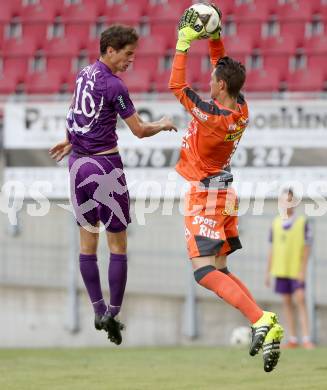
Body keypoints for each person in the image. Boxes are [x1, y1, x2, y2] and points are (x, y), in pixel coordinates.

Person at [168, 7, 283, 372]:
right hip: (225, 193)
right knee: (221, 268)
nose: (210, 81)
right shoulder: (241, 107)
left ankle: (260, 319)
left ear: (219, 86)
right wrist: (214, 36)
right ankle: (265, 321)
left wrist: (184, 43)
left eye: (213, 79)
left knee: (203, 272)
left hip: (206, 195)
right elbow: (223, 66)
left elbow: (177, 86)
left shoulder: (212, 115)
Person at [50, 25, 177, 345]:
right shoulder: (114, 85)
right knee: (118, 245)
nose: (131, 60)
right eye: (127, 53)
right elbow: (138, 131)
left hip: (77, 166)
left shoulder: (83, 74)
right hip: (106, 168)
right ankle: (113, 313)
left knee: (87, 245)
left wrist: (70, 139)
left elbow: (74, 110)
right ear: (110, 50)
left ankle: (96, 309)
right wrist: (161, 124)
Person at [265, 188, 315, 349]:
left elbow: (307, 248)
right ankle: (292, 338)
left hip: (296, 269)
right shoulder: (275, 222)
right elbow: (272, 249)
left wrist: (302, 270)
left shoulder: (302, 222)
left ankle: (307, 338)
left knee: (300, 299)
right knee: (286, 302)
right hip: (280, 269)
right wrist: (268, 273)